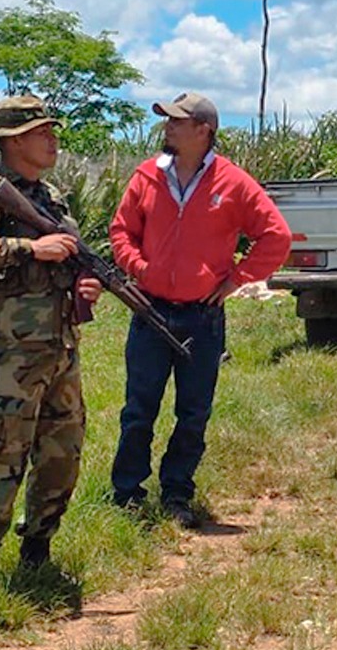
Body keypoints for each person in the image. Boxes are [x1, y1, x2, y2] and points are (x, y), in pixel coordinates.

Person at [108, 92, 291, 527]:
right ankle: (127, 494)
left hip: (201, 318)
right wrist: (140, 268)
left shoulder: (233, 182)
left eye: (177, 121)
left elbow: (276, 236)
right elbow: (121, 231)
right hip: (150, 311)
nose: (167, 127)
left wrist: (237, 279)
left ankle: (176, 494)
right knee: (138, 409)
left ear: (203, 130)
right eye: (167, 121)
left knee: (193, 413)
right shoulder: (147, 175)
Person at [0, 95, 102, 585]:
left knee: (62, 452)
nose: (53, 141)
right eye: (42, 133)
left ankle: (38, 546)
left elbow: (66, 258)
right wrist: (31, 248)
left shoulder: (52, 197)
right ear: (14, 141)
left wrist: (85, 285)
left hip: (60, 348)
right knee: (2, 452)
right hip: (11, 351)